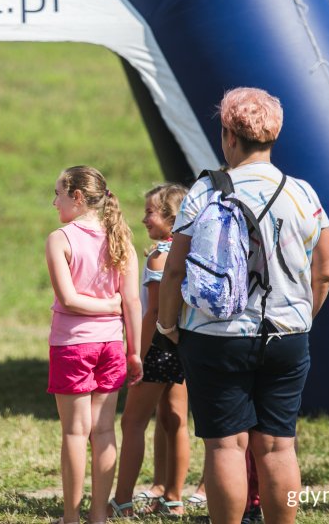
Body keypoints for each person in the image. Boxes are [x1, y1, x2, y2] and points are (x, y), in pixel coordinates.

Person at [157, 87, 329, 524]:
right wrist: (301, 319)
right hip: (287, 335)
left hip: (214, 334)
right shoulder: (304, 194)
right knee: (279, 446)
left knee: (225, 446)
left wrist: (168, 324)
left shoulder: (204, 192)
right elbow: (325, 271)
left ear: (229, 137)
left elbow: (175, 269)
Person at [45, 165, 142, 524]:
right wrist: (133, 351)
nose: (54, 203)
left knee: (74, 432)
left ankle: (72, 517)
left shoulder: (60, 239)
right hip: (112, 346)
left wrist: (105, 307)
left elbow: (68, 300)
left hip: (73, 346)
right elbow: (131, 302)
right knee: (103, 431)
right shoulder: (121, 239)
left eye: (58, 194)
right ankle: (98, 516)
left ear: (78, 197)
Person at [109, 183, 188, 518]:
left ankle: (122, 500)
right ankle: (173, 499)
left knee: (132, 422)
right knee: (175, 422)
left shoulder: (159, 258)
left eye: (151, 213)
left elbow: (153, 312)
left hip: (155, 347)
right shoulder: (187, 252)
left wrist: (136, 355)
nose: (144, 219)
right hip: (182, 346)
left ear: (171, 219)